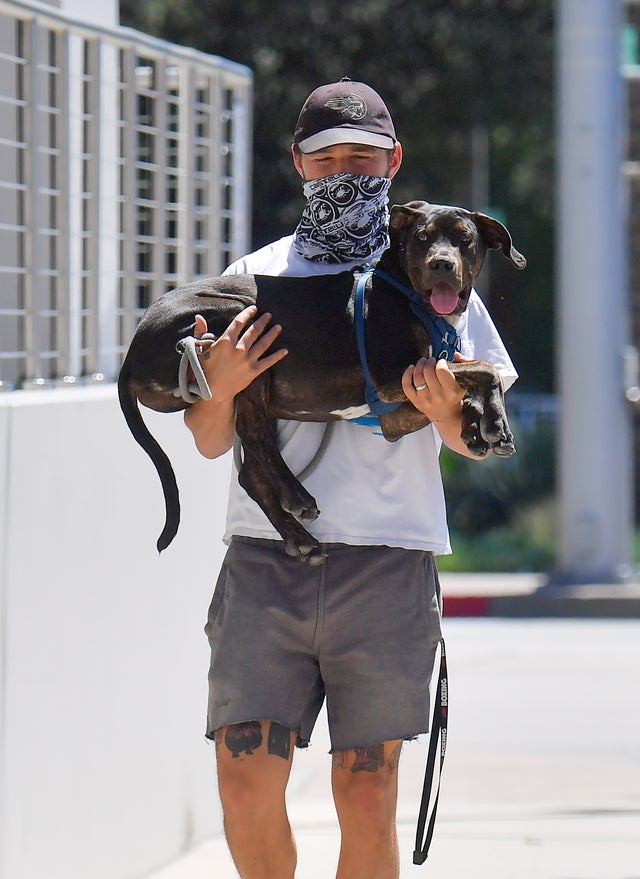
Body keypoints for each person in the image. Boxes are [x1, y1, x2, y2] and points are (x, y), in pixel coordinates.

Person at [184, 78, 517, 879]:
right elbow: (206, 440)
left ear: (393, 161)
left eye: (362, 158)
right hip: (266, 558)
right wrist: (219, 384)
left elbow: (481, 437)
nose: (344, 171)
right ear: (299, 165)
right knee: (244, 782)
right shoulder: (254, 276)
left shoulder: (437, 281)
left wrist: (444, 416)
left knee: (366, 796)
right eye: (327, 157)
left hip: (389, 560)